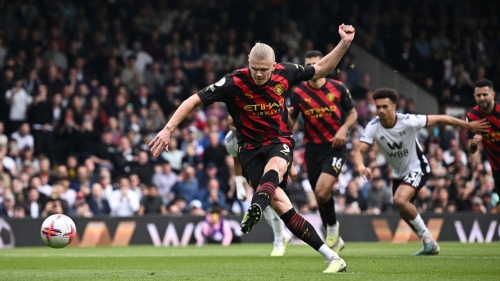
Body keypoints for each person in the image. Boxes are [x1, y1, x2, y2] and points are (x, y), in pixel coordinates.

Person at [149, 24, 356, 273]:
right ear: (248, 62)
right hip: (248, 151)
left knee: (276, 168)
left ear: (273, 65)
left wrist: (344, 43)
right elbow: (193, 100)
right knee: (282, 207)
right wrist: (169, 128)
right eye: (255, 69)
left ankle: (256, 205)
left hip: (279, 142)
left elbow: (322, 68)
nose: (259, 74)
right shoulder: (233, 82)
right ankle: (333, 257)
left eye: (264, 70)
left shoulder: (285, 72)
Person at [352, 87, 488, 255]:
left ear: (394, 107)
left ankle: (428, 238)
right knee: (404, 212)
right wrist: (360, 166)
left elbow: (440, 118)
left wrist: (467, 125)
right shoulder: (373, 126)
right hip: (398, 174)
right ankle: (428, 245)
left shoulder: (408, 120)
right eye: (378, 107)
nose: (380, 110)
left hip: (418, 168)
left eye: (385, 106)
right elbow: (359, 151)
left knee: (399, 200)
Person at [288, 50, 358, 253]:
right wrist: (289, 116)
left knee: (321, 191)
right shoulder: (299, 93)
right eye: (308, 64)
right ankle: (335, 236)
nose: (313, 68)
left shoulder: (337, 88)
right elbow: (292, 125)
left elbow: (352, 113)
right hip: (312, 150)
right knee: (320, 196)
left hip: (334, 148)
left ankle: (332, 228)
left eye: (316, 63)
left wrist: (343, 129)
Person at [225, 116, 291, 256]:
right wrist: (239, 186)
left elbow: (278, 145)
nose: (234, 127)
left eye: (236, 122)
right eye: (231, 124)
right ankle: (282, 236)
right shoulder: (230, 141)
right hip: (255, 172)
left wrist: (286, 167)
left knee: (273, 203)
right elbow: (236, 161)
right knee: (264, 207)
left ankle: (279, 241)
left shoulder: (257, 129)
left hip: (271, 167)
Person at [466, 79, 500, 196]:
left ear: (493, 94)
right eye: (478, 95)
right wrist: (474, 144)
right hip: (496, 166)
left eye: (485, 94)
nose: (481, 98)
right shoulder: (471, 116)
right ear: (474, 96)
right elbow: (471, 149)